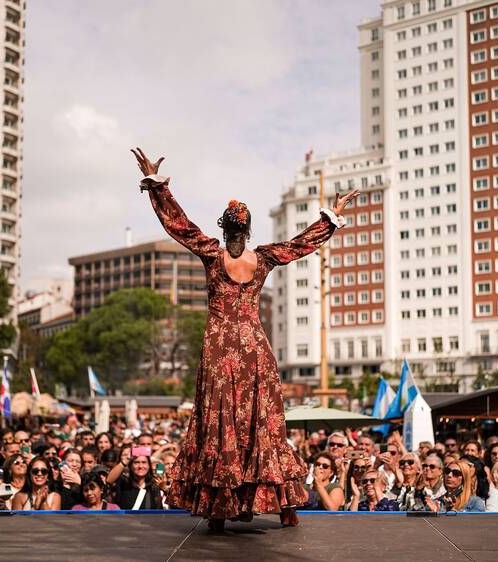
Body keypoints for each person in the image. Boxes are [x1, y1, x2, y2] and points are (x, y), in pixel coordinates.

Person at [134, 147, 357, 531]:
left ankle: (219, 512)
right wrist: (331, 218)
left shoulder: (211, 252)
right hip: (254, 350)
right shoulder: (265, 257)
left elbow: (180, 225)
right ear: (250, 230)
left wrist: (157, 187)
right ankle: (286, 510)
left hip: (220, 350)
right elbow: (301, 244)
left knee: (220, 425)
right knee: (263, 426)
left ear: (223, 229)